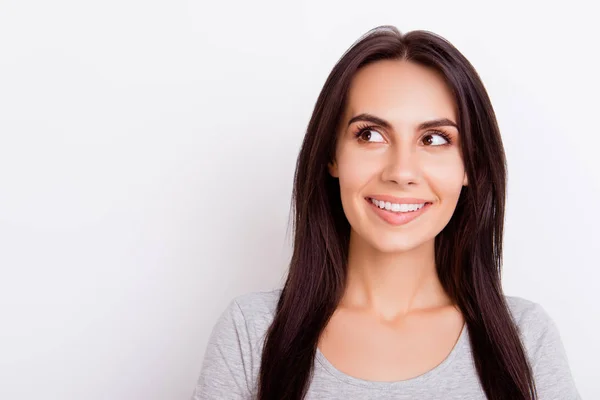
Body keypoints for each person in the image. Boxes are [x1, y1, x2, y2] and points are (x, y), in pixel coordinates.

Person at [191, 26, 581, 400]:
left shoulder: (525, 338)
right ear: (332, 155)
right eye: (370, 135)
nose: (401, 173)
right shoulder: (252, 332)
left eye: (434, 139)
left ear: (470, 167)